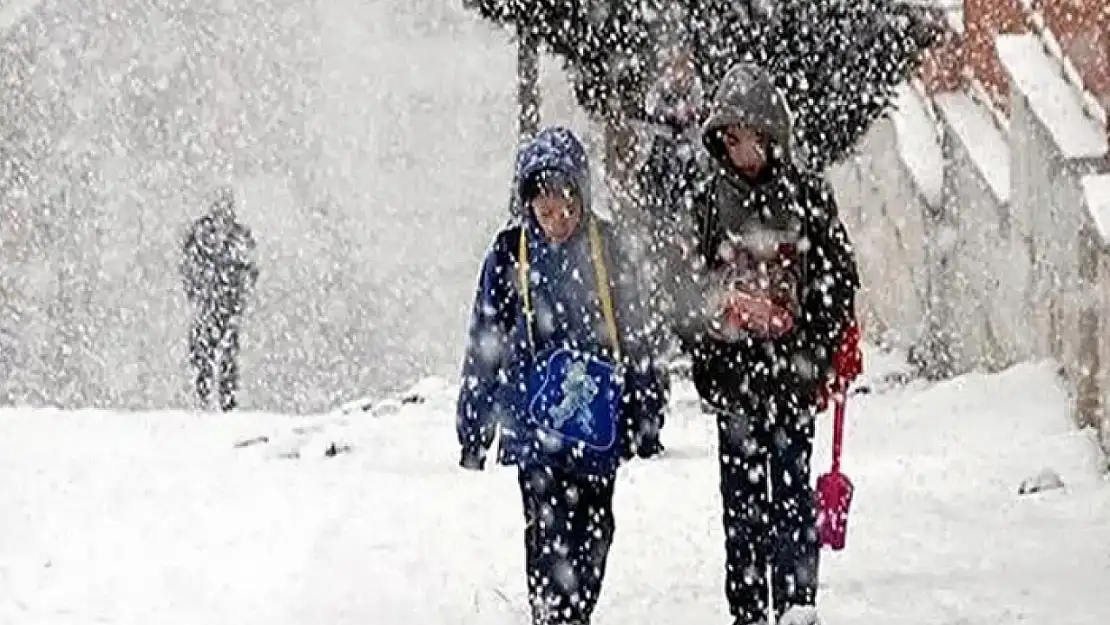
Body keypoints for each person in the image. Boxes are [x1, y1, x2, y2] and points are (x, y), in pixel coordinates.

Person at [666, 62, 861, 625]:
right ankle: (749, 607)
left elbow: (837, 276)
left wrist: (816, 344)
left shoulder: (805, 195)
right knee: (743, 501)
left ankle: (798, 601)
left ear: (770, 136)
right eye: (728, 140)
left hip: (793, 373)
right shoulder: (706, 201)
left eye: (746, 139)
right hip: (734, 376)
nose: (738, 151)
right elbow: (683, 285)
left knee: (791, 490)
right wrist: (714, 324)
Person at [456, 126, 665, 625]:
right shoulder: (510, 254)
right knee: (545, 531)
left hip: (596, 424)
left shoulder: (609, 249)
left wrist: (646, 412)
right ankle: (553, 615)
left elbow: (638, 336)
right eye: (545, 211)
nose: (558, 221)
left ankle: (575, 610)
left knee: (595, 529)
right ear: (528, 206)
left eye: (567, 207)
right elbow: (485, 341)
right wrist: (474, 427)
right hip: (534, 425)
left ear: (583, 196)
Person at [181, 186, 259, 412]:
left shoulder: (233, 237)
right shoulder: (221, 236)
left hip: (221, 303)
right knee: (210, 351)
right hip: (215, 302)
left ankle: (219, 401)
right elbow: (189, 266)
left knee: (220, 352)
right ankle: (208, 399)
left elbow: (249, 270)